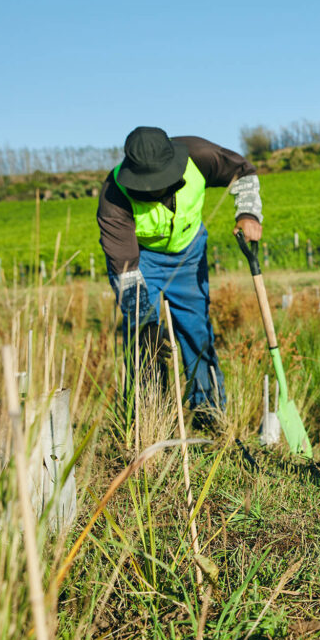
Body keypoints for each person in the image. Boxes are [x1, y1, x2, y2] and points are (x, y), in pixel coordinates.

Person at [97, 126, 263, 422]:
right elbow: (125, 271)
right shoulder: (114, 197)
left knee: (195, 330)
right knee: (143, 339)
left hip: (189, 254)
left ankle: (209, 413)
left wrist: (248, 214)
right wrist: (145, 321)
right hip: (141, 259)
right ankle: (149, 419)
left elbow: (245, 173)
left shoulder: (200, 156)